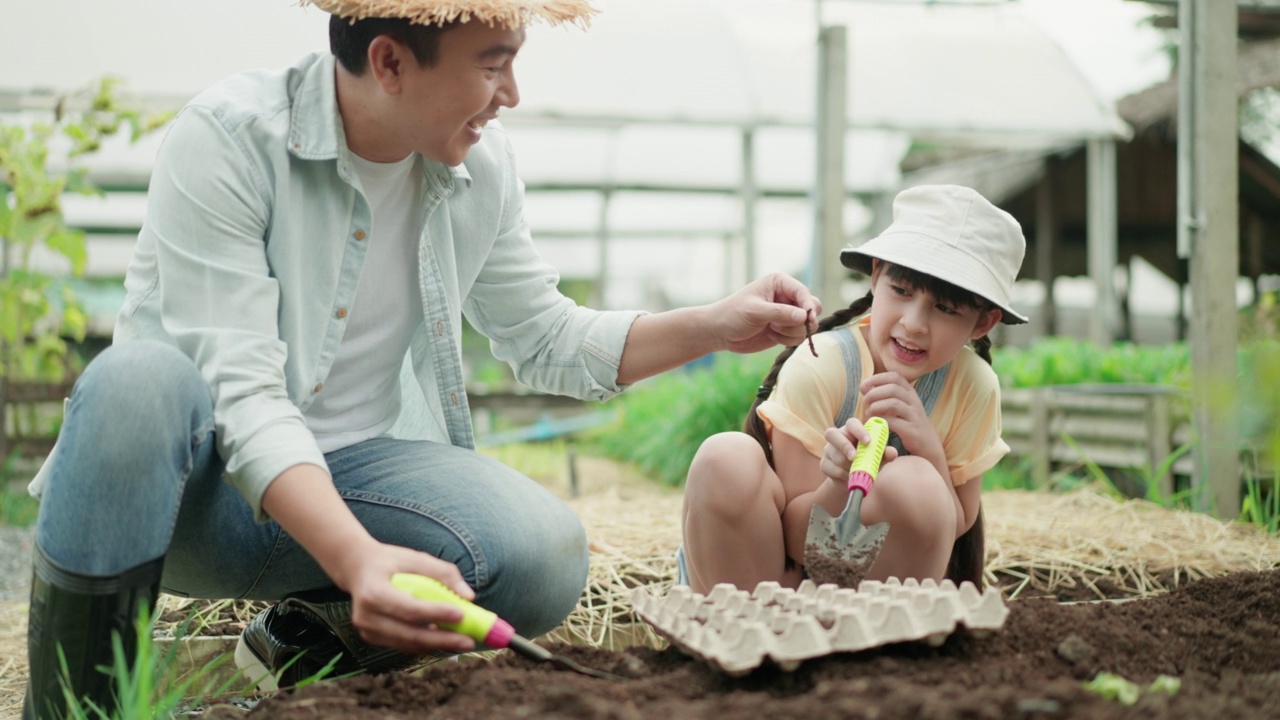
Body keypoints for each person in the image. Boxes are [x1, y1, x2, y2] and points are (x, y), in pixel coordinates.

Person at [20, 1, 822, 717]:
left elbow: (542, 335)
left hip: (356, 479)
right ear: (391, 63)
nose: (511, 95)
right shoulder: (228, 139)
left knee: (543, 556)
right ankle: (72, 705)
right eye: (493, 65)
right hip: (190, 500)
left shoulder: (483, 168)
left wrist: (716, 325)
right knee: (133, 382)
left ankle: (303, 645)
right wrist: (357, 558)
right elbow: (244, 393)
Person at [679, 184, 1026, 595]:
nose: (914, 323)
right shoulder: (822, 365)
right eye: (902, 291)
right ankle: (744, 635)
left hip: (878, 590)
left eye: (946, 308)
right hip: (778, 579)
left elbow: (957, 522)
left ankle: (875, 647)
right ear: (877, 275)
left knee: (916, 480)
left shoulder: (973, 386)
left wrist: (928, 449)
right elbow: (793, 538)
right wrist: (837, 483)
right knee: (725, 457)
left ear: (983, 323)